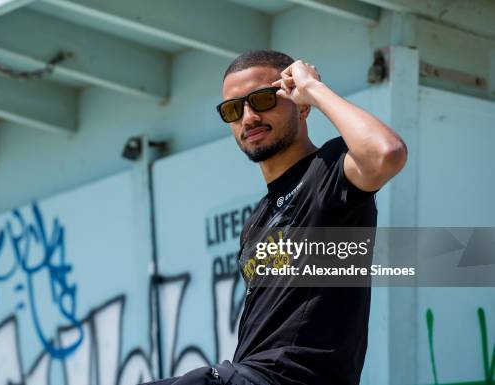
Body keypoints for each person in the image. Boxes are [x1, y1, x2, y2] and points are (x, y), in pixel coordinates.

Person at [140, 50, 407, 385]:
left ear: (302, 105)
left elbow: (387, 153)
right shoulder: (257, 220)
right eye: (233, 109)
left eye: (263, 99)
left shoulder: (330, 171)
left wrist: (313, 88)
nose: (248, 117)